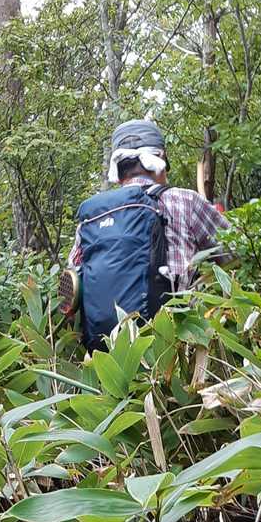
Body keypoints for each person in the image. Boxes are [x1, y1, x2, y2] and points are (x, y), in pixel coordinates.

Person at [62, 119, 226, 351]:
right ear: (161, 158)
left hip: (107, 351)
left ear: (119, 170)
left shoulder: (92, 216)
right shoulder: (185, 200)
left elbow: (72, 281)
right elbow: (235, 256)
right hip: (173, 346)